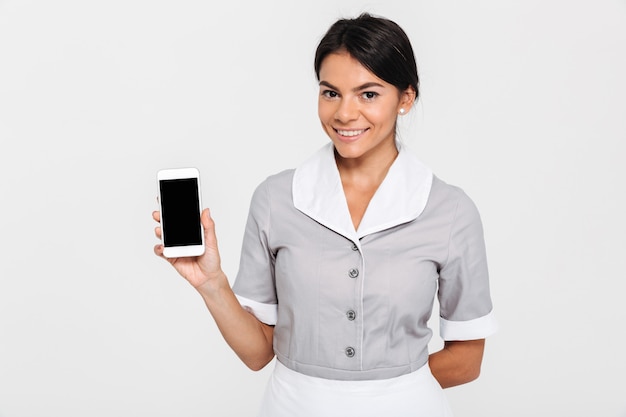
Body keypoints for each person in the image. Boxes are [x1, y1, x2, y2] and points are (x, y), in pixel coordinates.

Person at [153, 13, 497, 417]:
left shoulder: (450, 210)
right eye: (330, 93)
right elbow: (257, 353)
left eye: (368, 94)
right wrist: (211, 283)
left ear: (406, 98)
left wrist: (386, 395)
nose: (345, 114)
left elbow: (467, 359)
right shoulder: (276, 199)